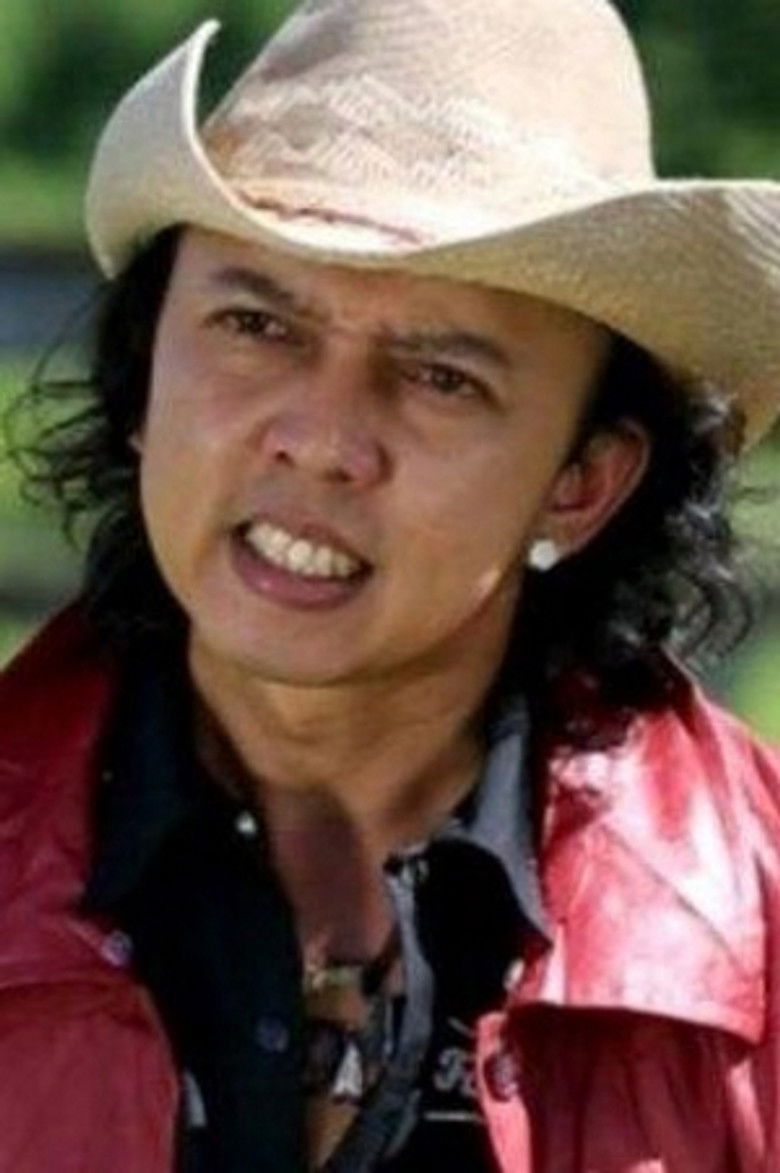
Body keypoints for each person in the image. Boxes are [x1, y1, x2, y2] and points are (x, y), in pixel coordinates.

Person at [2, 0, 780, 1169]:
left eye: (440, 377)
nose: (322, 441)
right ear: (144, 376)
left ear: (580, 482)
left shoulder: (753, 933)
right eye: (256, 323)